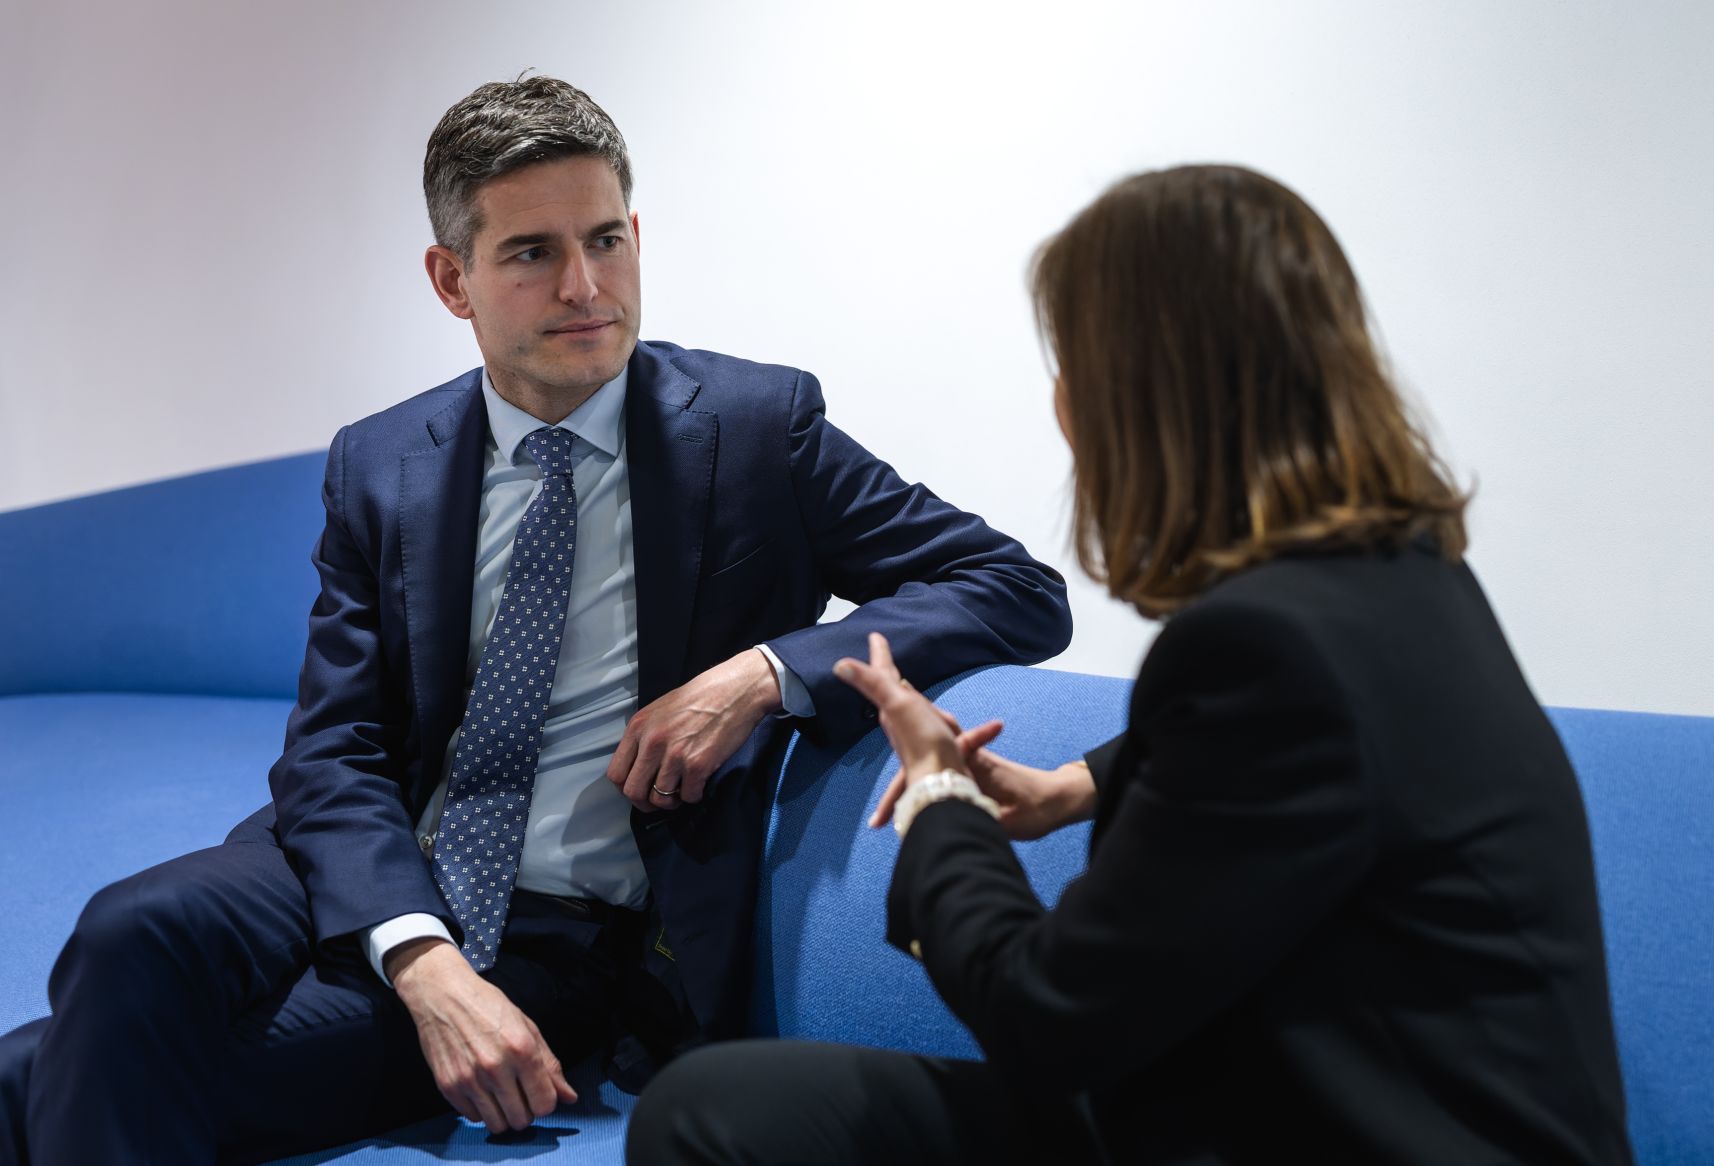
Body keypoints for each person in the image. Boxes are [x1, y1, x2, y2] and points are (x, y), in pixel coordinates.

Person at [0, 76, 1071, 1164]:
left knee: (50, 1069)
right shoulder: (381, 462)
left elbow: (1013, 586)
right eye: (530, 254)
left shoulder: (757, 431)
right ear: (450, 278)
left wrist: (761, 670)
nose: (585, 285)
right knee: (129, 928)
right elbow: (334, 747)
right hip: (362, 863)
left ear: (637, 234)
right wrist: (422, 960)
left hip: (561, 928)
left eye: (606, 239)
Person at [626, 165, 1635, 1165]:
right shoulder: (1401, 575)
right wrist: (1076, 783)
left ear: (1132, 396)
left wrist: (939, 800)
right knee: (728, 1102)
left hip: (1299, 1126)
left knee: (710, 1115)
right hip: (1274, 1103)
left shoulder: (1259, 647)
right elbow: (1300, 750)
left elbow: (1042, 1018)